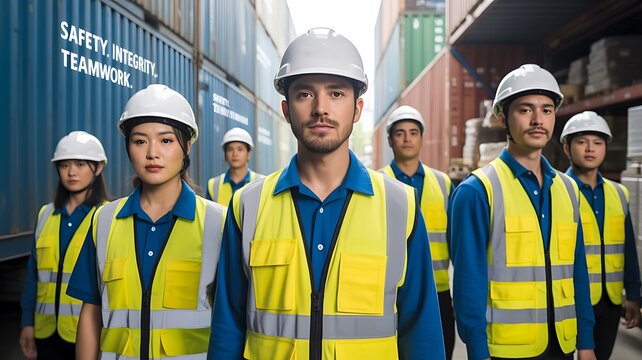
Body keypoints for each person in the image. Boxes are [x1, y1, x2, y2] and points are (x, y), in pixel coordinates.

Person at [208, 28, 445, 359]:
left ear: (357, 109)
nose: (321, 108)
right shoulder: (247, 205)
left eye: (336, 94)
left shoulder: (399, 205)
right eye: (305, 94)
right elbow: (227, 327)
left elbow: (421, 333)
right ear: (287, 109)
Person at [66, 84, 226, 359]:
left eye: (166, 141)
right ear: (128, 148)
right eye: (140, 141)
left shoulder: (219, 223)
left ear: (186, 146)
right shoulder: (104, 221)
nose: (152, 153)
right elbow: (91, 312)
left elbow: (231, 321)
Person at [449, 64, 597, 360]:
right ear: (503, 117)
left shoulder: (568, 189)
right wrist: (477, 352)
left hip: (563, 345)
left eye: (546, 110)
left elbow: (578, 271)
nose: (538, 120)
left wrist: (586, 342)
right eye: (525, 110)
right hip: (505, 350)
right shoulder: (478, 191)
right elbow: (468, 284)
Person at [19, 131, 109, 360]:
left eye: (80, 164)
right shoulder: (45, 214)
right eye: (64, 165)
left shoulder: (108, 216)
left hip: (88, 333)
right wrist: (27, 323)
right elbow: (33, 276)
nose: (71, 172)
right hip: (46, 332)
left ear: (98, 168)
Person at [560, 111, 641, 359]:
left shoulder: (619, 193)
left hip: (610, 299)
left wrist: (634, 295)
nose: (590, 149)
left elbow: (627, 248)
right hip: (569, 298)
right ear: (567, 148)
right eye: (582, 142)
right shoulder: (558, 191)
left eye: (597, 142)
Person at [379, 105, 456, 359]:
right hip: (389, 291)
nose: (407, 138)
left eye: (413, 132)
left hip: (439, 291)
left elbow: (456, 243)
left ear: (422, 138)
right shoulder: (377, 183)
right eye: (400, 133)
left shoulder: (443, 183)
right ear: (390, 140)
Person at [206, 127, 263, 206]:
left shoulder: (261, 182)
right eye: (230, 150)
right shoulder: (213, 185)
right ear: (225, 154)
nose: (235, 154)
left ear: (248, 154)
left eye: (240, 149)